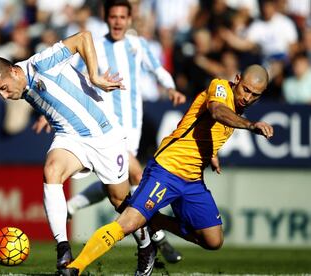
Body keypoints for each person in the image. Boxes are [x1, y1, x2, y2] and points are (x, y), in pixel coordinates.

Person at [58, 64, 274, 276]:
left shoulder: (238, 108)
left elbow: (204, 125)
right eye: (246, 90)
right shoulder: (220, 88)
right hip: (167, 169)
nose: (247, 98)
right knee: (128, 223)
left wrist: (212, 154)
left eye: (255, 95)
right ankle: (75, 267)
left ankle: (154, 221)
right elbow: (217, 112)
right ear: (237, 79)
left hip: (192, 180)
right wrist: (250, 125)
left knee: (213, 240)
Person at [0, 30, 131, 270]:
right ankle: (63, 248)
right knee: (51, 171)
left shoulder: (40, 64)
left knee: (120, 200)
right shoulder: (22, 87)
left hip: (103, 134)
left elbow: (83, 37)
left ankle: (147, 244)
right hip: (70, 136)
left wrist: (94, 76)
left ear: (15, 72)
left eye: (4, 89)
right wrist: (46, 115)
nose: (5, 96)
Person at [62, 0, 186, 270]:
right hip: (106, 127)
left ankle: (72, 207)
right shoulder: (94, 47)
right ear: (106, 18)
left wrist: (171, 88)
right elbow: (77, 82)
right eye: (113, 16)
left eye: (122, 17)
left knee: (115, 186)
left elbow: (158, 70)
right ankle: (158, 237)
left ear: (130, 20)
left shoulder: (138, 45)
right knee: (137, 176)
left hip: (133, 128)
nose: (118, 21)